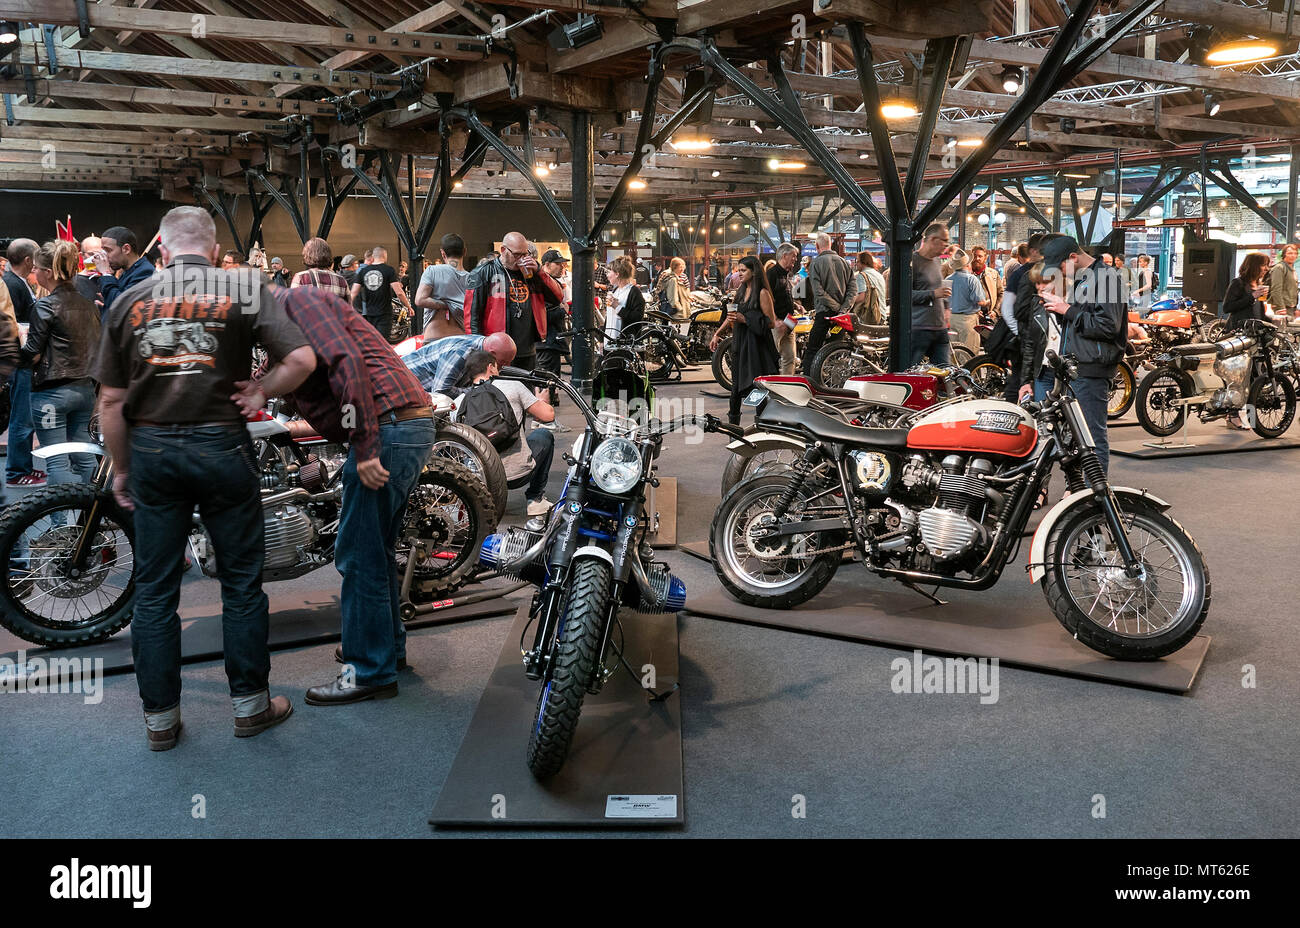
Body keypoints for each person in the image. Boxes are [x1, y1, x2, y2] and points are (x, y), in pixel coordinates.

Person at [95, 206, 316, 749]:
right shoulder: (242, 286)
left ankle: (161, 723)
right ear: (214, 251)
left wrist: (122, 469)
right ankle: (250, 707)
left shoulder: (128, 299)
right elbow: (304, 359)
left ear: (162, 253)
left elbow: (110, 401)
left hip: (152, 451)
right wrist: (261, 392)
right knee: (241, 585)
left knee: (155, 593)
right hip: (222, 446)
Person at [231, 284, 434, 706]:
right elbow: (286, 371)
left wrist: (363, 444)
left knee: (357, 552)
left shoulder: (297, 303)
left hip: (386, 426)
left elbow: (347, 362)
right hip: (399, 425)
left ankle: (368, 670)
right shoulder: (291, 318)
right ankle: (383, 652)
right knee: (372, 551)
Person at [1033, 236, 1127, 474]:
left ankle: (1095, 497)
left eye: (1061, 266)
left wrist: (1067, 309)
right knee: (1078, 436)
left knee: (1092, 436)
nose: (1060, 273)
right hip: (1078, 367)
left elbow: (1107, 327)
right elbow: (1082, 322)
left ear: (1073, 257)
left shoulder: (1106, 278)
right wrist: (1061, 311)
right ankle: (1085, 495)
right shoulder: (1085, 278)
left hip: (1091, 368)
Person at [22, 240, 102, 487]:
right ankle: (90, 520)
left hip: (51, 393)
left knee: (56, 460)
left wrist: (17, 346)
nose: (33, 272)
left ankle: (60, 526)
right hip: (85, 390)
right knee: (85, 456)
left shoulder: (45, 306)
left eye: (36, 268)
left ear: (48, 272)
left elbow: (32, 355)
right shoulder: (89, 306)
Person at [451, 349, 556, 517]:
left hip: (482, 480)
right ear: (491, 367)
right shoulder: (513, 386)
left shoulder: (458, 403)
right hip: (519, 475)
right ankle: (535, 499)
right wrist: (543, 399)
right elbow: (548, 415)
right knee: (544, 435)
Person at [463, 231, 562, 373]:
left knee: (525, 389)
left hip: (527, 348)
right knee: (500, 390)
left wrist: (539, 272)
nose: (521, 259)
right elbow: (472, 315)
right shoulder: (484, 272)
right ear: (504, 250)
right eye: (517, 255)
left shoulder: (533, 273)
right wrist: (476, 349)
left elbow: (557, 297)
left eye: (525, 254)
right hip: (496, 349)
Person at [710, 255, 780, 425]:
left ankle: (762, 427)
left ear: (754, 271)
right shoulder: (741, 290)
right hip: (740, 345)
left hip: (757, 347)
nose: (739, 273)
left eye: (743, 270)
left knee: (757, 389)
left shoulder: (762, 293)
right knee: (735, 389)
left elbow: (771, 322)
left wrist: (746, 320)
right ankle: (734, 430)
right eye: (739, 270)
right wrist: (717, 333)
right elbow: (732, 316)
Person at [4, 239, 43, 488]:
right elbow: (14, 327)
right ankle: (17, 472)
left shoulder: (16, 282)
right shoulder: (11, 284)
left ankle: (23, 467)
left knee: (23, 417)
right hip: (20, 362)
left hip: (20, 361)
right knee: (22, 418)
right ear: (28, 260)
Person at [801, 233, 855, 374]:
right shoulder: (844, 263)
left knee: (812, 349)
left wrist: (836, 308)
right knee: (836, 351)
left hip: (824, 314)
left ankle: (808, 381)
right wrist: (842, 310)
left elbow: (818, 292)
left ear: (817, 246)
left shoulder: (816, 264)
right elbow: (852, 290)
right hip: (841, 317)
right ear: (830, 245)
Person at [404, 331, 517, 395]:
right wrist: (474, 390)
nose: (500, 368)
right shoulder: (461, 352)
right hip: (407, 384)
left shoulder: (484, 345)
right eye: (501, 363)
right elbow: (441, 392)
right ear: (492, 353)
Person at [910, 222, 954, 367]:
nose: (946, 245)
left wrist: (946, 306)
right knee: (911, 372)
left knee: (944, 373)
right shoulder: (913, 262)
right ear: (933, 240)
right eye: (944, 241)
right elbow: (904, 296)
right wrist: (933, 294)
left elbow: (939, 286)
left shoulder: (936, 261)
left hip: (939, 328)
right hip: (919, 329)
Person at [416, 233, 470, 341]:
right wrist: (451, 304)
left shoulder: (433, 271)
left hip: (434, 337)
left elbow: (420, 300)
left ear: (443, 253)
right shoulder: (472, 279)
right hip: (461, 339)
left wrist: (444, 304)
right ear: (464, 251)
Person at [350, 245, 413, 338]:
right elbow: (399, 292)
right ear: (385, 256)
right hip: (384, 314)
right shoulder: (389, 270)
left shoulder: (363, 271)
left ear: (373, 257)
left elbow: (354, 292)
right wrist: (408, 306)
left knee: (371, 341)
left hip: (368, 314)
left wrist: (348, 307)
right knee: (382, 342)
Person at [94, 226, 156, 318]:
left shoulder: (145, 271)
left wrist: (106, 274)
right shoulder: (127, 271)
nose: (105, 256)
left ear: (126, 249)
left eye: (108, 250)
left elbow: (122, 305)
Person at [536, 249, 570, 406]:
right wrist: (562, 310)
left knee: (550, 378)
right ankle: (544, 416)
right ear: (547, 265)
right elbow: (541, 315)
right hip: (546, 341)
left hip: (551, 341)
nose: (562, 266)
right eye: (558, 264)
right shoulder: (543, 284)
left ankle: (547, 410)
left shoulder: (549, 282)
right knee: (545, 380)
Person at [766, 243, 801, 375]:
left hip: (789, 321)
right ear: (784, 255)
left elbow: (784, 295)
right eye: (794, 256)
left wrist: (796, 306)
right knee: (772, 357)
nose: (795, 259)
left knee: (790, 357)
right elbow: (767, 299)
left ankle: (786, 385)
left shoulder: (786, 275)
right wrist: (775, 320)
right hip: (777, 323)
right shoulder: (771, 274)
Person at [945, 249, 987, 354]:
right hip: (967, 321)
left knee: (953, 354)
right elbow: (980, 301)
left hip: (952, 319)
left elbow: (944, 300)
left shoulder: (947, 279)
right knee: (969, 353)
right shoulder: (971, 279)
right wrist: (988, 301)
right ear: (967, 263)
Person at [1223, 252, 1270, 331]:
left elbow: (1258, 313)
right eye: (1263, 265)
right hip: (1240, 331)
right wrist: (1253, 296)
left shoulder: (1259, 284)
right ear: (1253, 266)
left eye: (1267, 265)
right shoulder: (1238, 283)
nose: (1266, 269)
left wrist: (1274, 319)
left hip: (1254, 331)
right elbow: (1227, 307)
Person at [604, 255, 645, 340]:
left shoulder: (634, 292)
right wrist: (602, 339)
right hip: (609, 342)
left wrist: (618, 307)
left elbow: (637, 318)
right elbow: (609, 317)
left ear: (617, 274)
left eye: (609, 272)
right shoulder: (615, 290)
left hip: (624, 343)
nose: (607, 275)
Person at [851, 251, 886, 326]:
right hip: (882, 315)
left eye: (857, 262)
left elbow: (861, 297)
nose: (856, 264)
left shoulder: (862, 275)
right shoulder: (879, 275)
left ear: (864, 262)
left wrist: (850, 301)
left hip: (870, 316)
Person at [970, 246, 1002, 322]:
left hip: (990, 317)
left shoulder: (994, 273)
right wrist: (974, 311)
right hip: (972, 318)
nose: (977, 259)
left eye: (980, 256)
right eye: (974, 256)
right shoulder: (966, 275)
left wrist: (995, 311)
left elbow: (1001, 293)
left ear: (985, 258)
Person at [1268, 244, 1299, 323]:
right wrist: (1280, 307)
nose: (1293, 255)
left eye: (1295, 253)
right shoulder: (1279, 267)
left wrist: (1296, 307)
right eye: (1290, 253)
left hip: (1291, 307)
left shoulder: (1292, 269)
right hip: (1282, 307)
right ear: (1284, 254)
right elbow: (1276, 289)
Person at [74, 234, 105, 305]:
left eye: (100, 253)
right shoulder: (74, 283)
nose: (95, 257)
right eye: (91, 254)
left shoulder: (109, 279)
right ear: (81, 256)